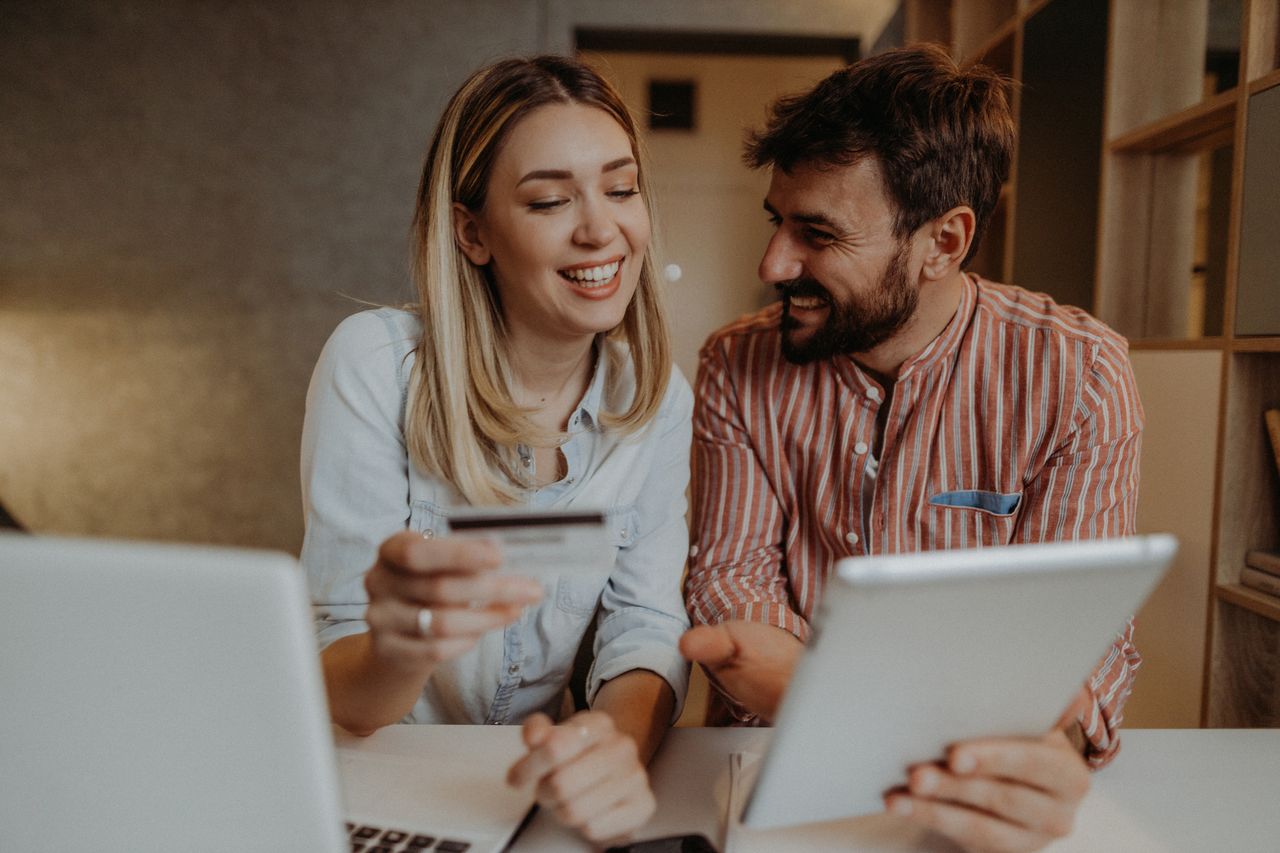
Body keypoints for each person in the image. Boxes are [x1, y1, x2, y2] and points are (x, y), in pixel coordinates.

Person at [680, 45, 1143, 853]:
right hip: (768, 778)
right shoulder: (733, 362)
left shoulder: (1083, 375)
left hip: (968, 783)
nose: (773, 264)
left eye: (817, 233)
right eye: (776, 221)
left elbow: (1074, 635)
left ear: (945, 240)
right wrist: (905, 707)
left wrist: (1041, 754)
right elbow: (732, 580)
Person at [300, 55, 692, 845]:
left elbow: (644, 625)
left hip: (527, 792)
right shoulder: (376, 365)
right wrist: (396, 646)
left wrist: (607, 748)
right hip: (380, 780)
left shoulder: (656, 399)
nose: (600, 228)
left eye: (621, 189)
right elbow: (346, 689)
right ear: (472, 232)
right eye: (549, 199)